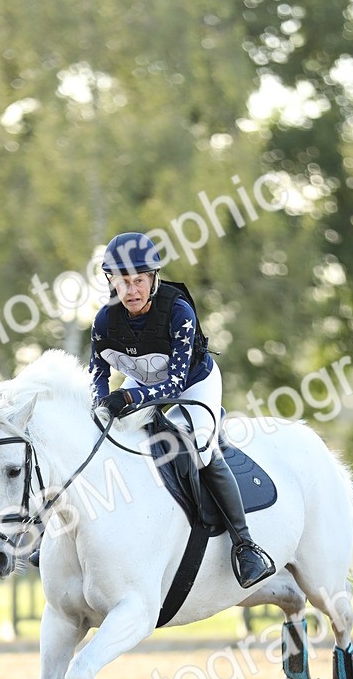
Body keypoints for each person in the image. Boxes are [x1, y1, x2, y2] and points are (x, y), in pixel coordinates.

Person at [90, 231, 275, 589]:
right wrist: (102, 402)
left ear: (153, 278)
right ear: (110, 281)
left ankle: (245, 545)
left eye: (139, 280)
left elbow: (174, 385)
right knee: (102, 432)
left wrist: (126, 400)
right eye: (123, 281)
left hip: (193, 382)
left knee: (199, 448)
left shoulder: (178, 311)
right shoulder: (103, 321)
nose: (132, 290)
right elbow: (96, 373)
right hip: (142, 382)